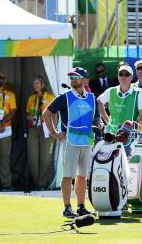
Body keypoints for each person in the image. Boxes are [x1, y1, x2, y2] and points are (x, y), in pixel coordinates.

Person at [43, 67, 100, 218]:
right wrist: (54, 132)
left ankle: (81, 206)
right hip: (70, 141)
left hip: (87, 141)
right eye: (72, 77)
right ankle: (67, 207)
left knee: (82, 176)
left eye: (77, 77)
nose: (73, 79)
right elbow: (47, 113)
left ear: (84, 80)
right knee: (68, 175)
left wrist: (99, 127)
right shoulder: (65, 97)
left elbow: (96, 119)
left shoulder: (92, 98)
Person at [97, 64, 142, 143]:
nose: (123, 77)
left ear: (131, 77)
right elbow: (99, 102)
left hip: (130, 136)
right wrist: (107, 121)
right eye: (121, 74)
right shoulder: (111, 91)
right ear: (118, 77)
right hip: (111, 135)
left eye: (127, 74)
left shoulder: (138, 93)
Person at [25, 75, 56, 190]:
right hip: (33, 129)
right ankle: (37, 181)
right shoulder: (31, 98)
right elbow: (27, 114)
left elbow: (55, 114)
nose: (35, 85)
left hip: (47, 129)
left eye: (37, 83)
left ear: (42, 84)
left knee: (46, 158)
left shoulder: (50, 97)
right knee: (32, 157)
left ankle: (42, 184)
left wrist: (54, 130)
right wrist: (30, 117)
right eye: (33, 84)